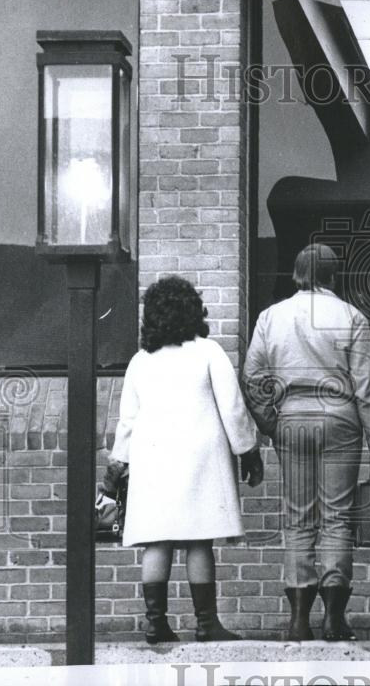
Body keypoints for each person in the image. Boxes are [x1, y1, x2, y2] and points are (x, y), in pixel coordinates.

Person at [104, 275, 264, 644]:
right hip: (200, 459)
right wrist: (248, 452)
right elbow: (233, 408)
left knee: (157, 540)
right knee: (199, 540)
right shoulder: (209, 352)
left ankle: (155, 622)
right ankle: (207, 624)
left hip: (153, 459)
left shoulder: (140, 361)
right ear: (193, 310)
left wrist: (117, 466)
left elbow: (127, 420)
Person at [243, 243, 370, 643]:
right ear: (332, 276)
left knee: (298, 519)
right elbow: (367, 385)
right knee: (338, 518)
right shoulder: (351, 316)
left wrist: (272, 423)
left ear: (296, 274)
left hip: (292, 419)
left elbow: (253, 377)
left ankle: (297, 621)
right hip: (340, 418)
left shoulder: (270, 317)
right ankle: (334, 620)